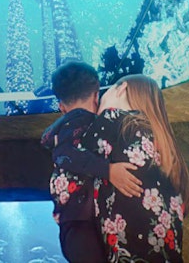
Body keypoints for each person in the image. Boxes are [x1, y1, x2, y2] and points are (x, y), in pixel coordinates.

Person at [42, 61, 144, 263]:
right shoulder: (79, 120)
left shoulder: (68, 126)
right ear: (97, 96)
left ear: (61, 106)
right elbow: (64, 152)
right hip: (80, 221)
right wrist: (108, 170)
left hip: (76, 222)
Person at [84, 74, 189, 263]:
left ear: (121, 89)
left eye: (103, 93)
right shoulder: (165, 147)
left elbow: (75, 155)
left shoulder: (113, 119)